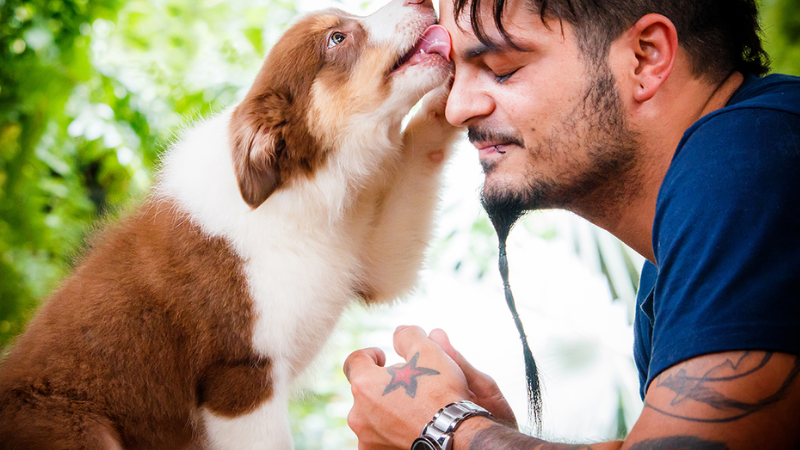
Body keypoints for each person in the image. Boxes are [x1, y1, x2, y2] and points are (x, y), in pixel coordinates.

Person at [343, 0, 800, 448]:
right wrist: (491, 434)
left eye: (501, 68)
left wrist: (446, 428)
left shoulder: (753, 159)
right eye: (456, 74)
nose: (457, 109)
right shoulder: (678, 250)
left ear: (645, 58)